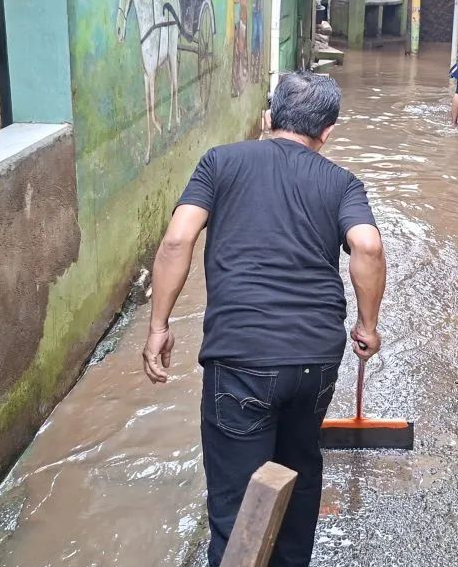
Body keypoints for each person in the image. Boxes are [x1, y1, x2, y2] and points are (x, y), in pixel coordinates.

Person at [142, 72, 386, 566]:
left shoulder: (220, 163)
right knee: (298, 474)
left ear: (267, 117)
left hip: (241, 357)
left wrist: (158, 327)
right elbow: (368, 245)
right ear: (328, 131)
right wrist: (367, 326)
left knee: (236, 506)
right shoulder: (342, 183)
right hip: (314, 360)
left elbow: (176, 241)